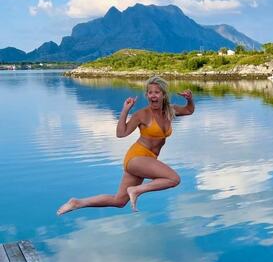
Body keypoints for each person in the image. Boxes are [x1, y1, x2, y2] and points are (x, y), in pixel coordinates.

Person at [57, 75, 194, 214]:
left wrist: (189, 100)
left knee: (119, 201)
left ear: (163, 95)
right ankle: (136, 190)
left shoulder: (171, 111)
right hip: (137, 157)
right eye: (150, 92)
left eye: (157, 92)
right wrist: (125, 110)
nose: (153, 95)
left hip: (148, 159)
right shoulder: (142, 115)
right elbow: (121, 133)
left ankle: (77, 203)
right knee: (173, 178)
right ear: (146, 95)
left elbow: (189, 110)